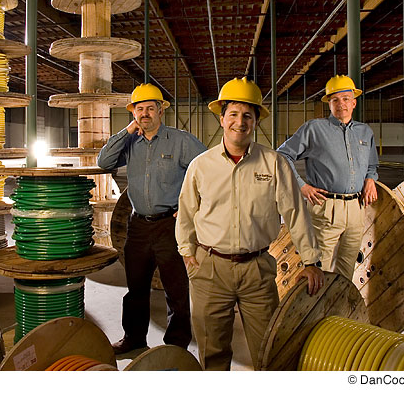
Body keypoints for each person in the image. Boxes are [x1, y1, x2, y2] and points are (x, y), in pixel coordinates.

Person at [176, 77, 324, 370]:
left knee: (267, 350)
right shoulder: (201, 165)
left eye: (247, 115)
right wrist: (186, 252)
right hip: (210, 270)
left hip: (257, 270)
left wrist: (311, 260)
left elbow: (295, 212)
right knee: (212, 351)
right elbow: (186, 211)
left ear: (256, 121)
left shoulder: (274, 164)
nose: (239, 122)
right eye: (233, 114)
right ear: (221, 119)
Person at [97, 83, 206, 355]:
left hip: (170, 225)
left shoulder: (180, 141)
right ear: (134, 113)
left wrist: (194, 206)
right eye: (139, 109)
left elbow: (209, 171)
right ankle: (134, 338)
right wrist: (128, 130)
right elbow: (104, 161)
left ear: (160, 111)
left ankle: (177, 344)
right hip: (138, 227)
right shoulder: (130, 142)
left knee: (176, 289)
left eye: (150, 108)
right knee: (135, 288)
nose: (145, 113)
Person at [277, 75, 378, 280]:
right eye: (335, 100)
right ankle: (318, 313)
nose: (341, 104)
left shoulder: (365, 132)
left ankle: (339, 312)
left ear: (354, 102)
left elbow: (372, 164)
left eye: (346, 98)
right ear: (329, 104)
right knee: (318, 270)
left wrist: (370, 179)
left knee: (347, 268)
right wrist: (301, 186)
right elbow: (282, 155)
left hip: (356, 208)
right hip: (325, 207)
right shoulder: (314, 129)